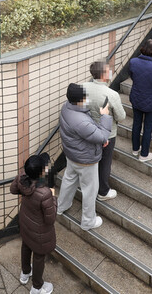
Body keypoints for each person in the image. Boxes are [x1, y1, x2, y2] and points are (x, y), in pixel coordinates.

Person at [57, 83, 112, 231]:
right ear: (80, 100)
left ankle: (61, 206)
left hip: (72, 154)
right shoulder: (80, 120)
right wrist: (105, 116)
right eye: (85, 97)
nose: (87, 98)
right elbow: (101, 136)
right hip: (86, 160)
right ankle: (88, 221)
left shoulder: (66, 107)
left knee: (69, 180)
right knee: (90, 190)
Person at [10, 154, 56, 294]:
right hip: (39, 231)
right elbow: (50, 218)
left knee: (26, 246)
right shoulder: (45, 193)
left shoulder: (23, 178)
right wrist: (53, 196)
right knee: (39, 256)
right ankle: (37, 287)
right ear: (41, 173)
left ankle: (25, 274)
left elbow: (13, 190)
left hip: (25, 223)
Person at [84, 61, 125, 202]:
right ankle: (103, 191)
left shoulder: (83, 87)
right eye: (108, 70)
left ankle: (88, 185)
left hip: (87, 131)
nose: (111, 72)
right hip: (107, 134)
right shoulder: (111, 94)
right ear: (103, 75)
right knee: (104, 162)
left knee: (90, 159)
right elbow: (121, 117)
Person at [128, 40, 152, 162]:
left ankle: (135, 149)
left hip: (136, 97)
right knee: (148, 128)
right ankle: (144, 154)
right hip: (151, 101)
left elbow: (132, 76)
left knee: (136, 124)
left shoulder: (133, 61)